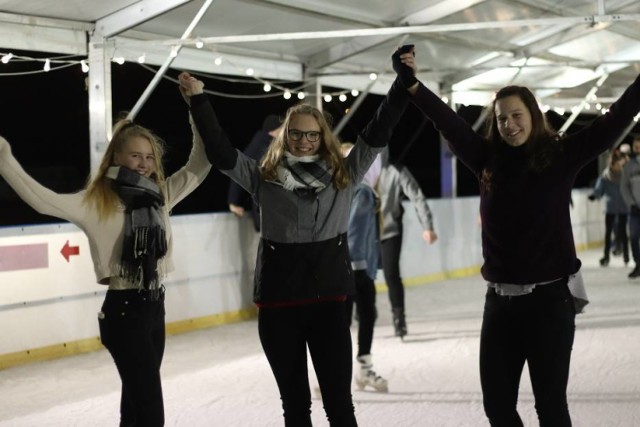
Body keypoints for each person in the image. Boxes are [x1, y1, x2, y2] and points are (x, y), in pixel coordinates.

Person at [394, 44, 640, 425]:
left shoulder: (561, 155)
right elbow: (448, 122)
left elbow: (613, 123)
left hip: (550, 303)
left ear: (533, 116)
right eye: (502, 118)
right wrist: (413, 86)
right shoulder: (486, 159)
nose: (509, 124)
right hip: (500, 306)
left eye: (516, 115)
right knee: (497, 406)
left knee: (550, 407)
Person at [178, 50, 411, 426]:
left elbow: (377, 133)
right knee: (295, 407)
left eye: (312, 135)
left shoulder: (344, 175)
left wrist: (402, 84)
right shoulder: (263, 177)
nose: (304, 141)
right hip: (278, 307)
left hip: (329, 305)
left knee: (339, 406)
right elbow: (221, 153)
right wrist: (199, 100)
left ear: (323, 138)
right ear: (286, 136)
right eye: (297, 134)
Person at [0, 113, 211, 426]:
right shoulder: (96, 201)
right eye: (136, 156)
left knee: (136, 407)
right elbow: (43, 201)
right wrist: (4, 157)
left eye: (150, 157)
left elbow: (201, 164)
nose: (144, 164)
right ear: (116, 157)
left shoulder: (159, 197)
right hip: (124, 313)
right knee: (151, 413)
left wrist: (196, 108)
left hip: (154, 308)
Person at [341, 142, 388, 393]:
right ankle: (359, 370)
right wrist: (362, 268)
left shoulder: (346, 189)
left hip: (346, 266)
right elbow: (357, 232)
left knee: (346, 319)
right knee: (364, 316)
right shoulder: (364, 192)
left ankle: (343, 373)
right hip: (356, 268)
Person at [377, 148, 437, 338]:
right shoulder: (360, 169)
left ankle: (398, 318)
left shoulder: (397, 170)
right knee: (361, 276)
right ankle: (363, 313)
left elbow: (417, 196)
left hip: (390, 231)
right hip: (364, 233)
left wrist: (427, 226)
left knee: (391, 274)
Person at [228, 114, 282, 231]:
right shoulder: (259, 145)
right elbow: (240, 169)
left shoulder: (274, 146)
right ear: (276, 130)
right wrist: (233, 202)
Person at [588, 149, 629, 267]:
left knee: (623, 233)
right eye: (615, 164)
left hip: (623, 207)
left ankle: (626, 256)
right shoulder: (605, 176)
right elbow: (599, 190)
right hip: (610, 208)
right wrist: (594, 196)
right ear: (611, 164)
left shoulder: (624, 175)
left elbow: (630, 188)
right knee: (608, 233)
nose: (617, 166)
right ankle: (606, 257)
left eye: (618, 164)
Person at [620, 136, 640, 278]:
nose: (637, 150)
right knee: (633, 236)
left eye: (639, 147)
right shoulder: (629, 167)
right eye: (635, 147)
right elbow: (624, 187)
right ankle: (638, 263)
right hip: (635, 210)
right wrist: (631, 204)